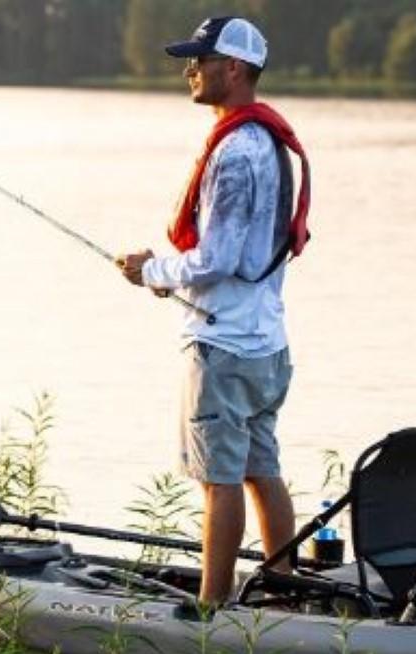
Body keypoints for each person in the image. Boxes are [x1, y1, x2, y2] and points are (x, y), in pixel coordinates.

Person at [118, 15, 312, 606]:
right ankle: (282, 593)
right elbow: (241, 256)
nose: (190, 70)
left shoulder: (234, 152)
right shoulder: (269, 144)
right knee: (262, 469)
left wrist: (153, 270)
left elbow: (219, 258)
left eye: (200, 60)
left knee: (218, 481)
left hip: (222, 348)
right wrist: (174, 277)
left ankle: (212, 610)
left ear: (234, 68)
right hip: (266, 344)